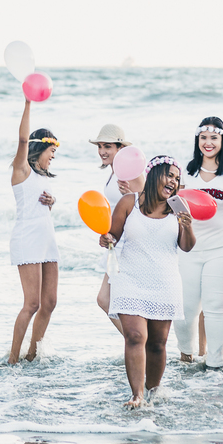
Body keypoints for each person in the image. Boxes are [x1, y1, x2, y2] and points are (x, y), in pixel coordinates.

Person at [103, 156, 195, 407]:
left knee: (157, 344)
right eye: (169, 175)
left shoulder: (179, 208)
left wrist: (187, 226)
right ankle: (137, 396)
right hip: (129, 278)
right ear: (154, 174)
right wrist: (106, 239)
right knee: (135, 336)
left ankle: (153, 391)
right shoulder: (128, 202)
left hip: (164, 282)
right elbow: (113, 235)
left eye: (177, 178)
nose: (173, 182)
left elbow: (186, 246)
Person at [174, 117, 223, 368]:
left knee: (216, 308)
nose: (208, 143)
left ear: (222, 141)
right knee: (186, 307)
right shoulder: (188, 171)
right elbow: (173, 203)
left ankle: (216, 364)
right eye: (203, 138)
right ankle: (186, 357)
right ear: (197, 140)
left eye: (214, 138)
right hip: (190, 247)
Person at [8, 99, 59, 364]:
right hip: (27, 241)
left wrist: (52, 201)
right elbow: (21, 140)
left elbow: (40, 206)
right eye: (51, 151)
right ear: (39, 148)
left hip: (47, 241)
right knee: (32, 304)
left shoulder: (44, 177)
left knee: (49, 302)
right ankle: (12, 359)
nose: (53, 156)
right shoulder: (22, 170)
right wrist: (28, 103)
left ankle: (32, 355)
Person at [90, 124, 137, 334]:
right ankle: (136, 343)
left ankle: (136, 343)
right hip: (116, 241)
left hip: (129, 244)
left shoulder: (131, 171)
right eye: (100, 146)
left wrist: (131, 194)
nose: (102, 151)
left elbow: (147, 205)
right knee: (107, 300)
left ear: (120, 148)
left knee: (106, 299)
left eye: (107, 146)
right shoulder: (113, 172)